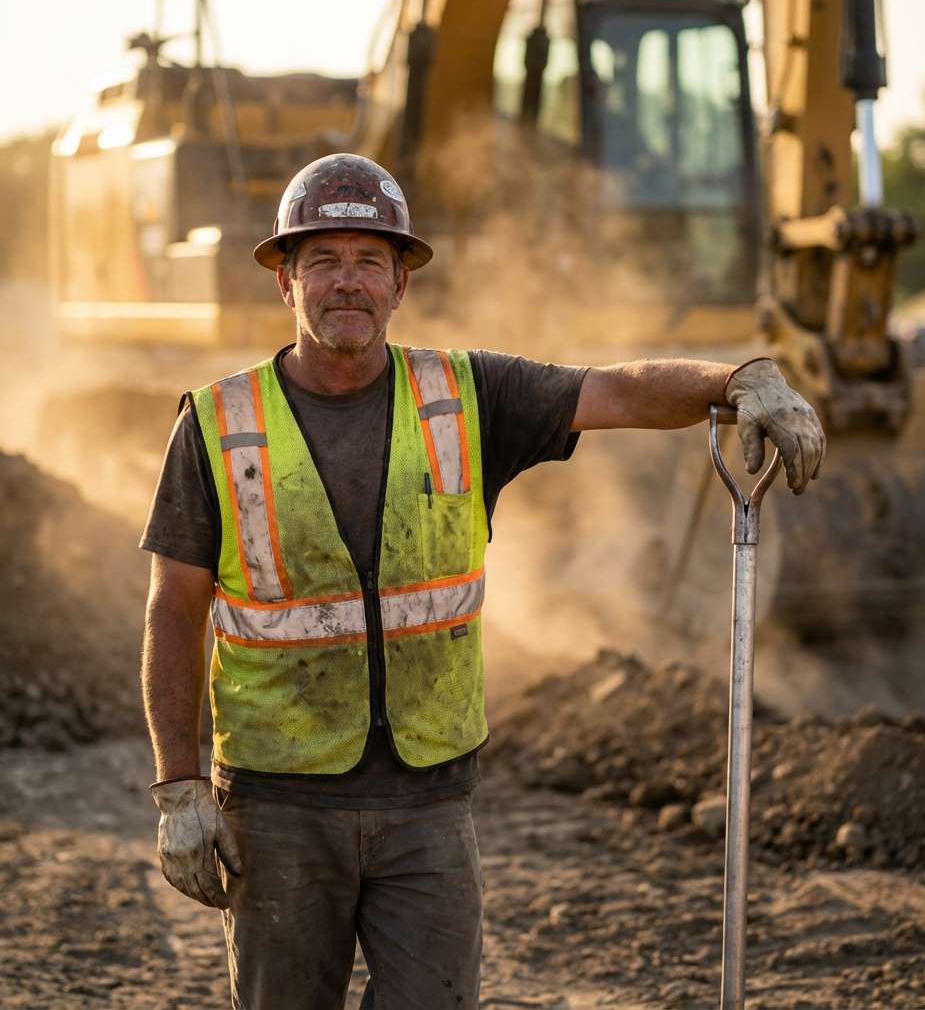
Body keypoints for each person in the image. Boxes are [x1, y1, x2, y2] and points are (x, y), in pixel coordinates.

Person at [141, 153, 825, 1010]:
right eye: (322, 260)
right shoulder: (216, 423)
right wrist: (178, 790)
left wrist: (736, 381)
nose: (346, 281)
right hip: (278, 810)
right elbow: (175, 608)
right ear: (285, 282)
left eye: (369, 261)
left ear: (401, 283)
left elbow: (614, 390)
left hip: (428, 808)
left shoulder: (466, 394)